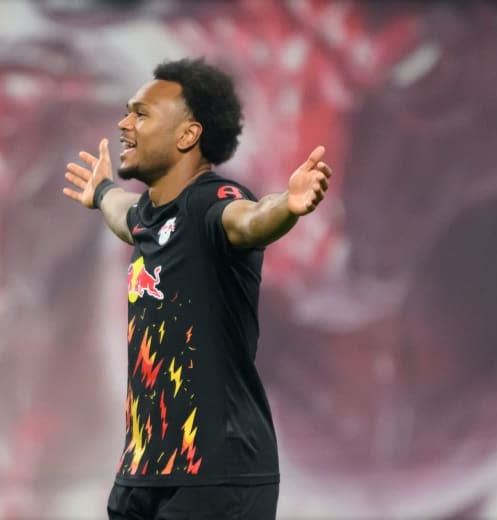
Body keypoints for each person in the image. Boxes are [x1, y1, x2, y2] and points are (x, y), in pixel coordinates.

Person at [62, 57, 332, 519]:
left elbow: (248, 220)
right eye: (127, 112)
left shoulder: (213, 202)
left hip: (215, 477)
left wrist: (287, 206)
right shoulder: (148, 216)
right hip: (142, 476)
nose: (125, 124)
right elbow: (125, 216)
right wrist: (103, 193)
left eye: (141, 114)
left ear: (188, 135)